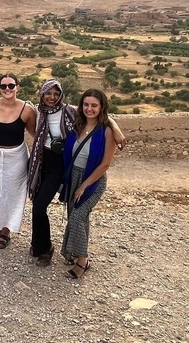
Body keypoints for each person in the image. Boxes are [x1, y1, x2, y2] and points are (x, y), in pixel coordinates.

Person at [27, 79, 126, 266]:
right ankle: (39, 244)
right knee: (36, 206)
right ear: (42, 93)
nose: (52, 97)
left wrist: (116, 128)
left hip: (60, 163)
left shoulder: (69, 110)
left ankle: (47, 249)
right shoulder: (37, 111)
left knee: (41, 206)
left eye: (56, 93)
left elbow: (96, 113)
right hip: (40, 161)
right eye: (48, 93)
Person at [59, 89, 116, 278]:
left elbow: (105, 164)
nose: (89, 109)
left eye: (94, 105)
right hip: (73, 177)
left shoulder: (107, 131)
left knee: (77, 217)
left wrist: (84, 186)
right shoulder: (77, 125)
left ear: (101, 108)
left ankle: (83, 261)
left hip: (93, 181)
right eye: (86, 104)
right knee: (78, 219)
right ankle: (73, 253)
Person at [0, 73, 36, 249]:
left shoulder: (27, 110)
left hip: (17, 156)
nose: (7, 89)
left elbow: (36, 133)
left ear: (17, 88)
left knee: (13, 193)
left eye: (11, 86)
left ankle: (6, 230)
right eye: (4, 86)